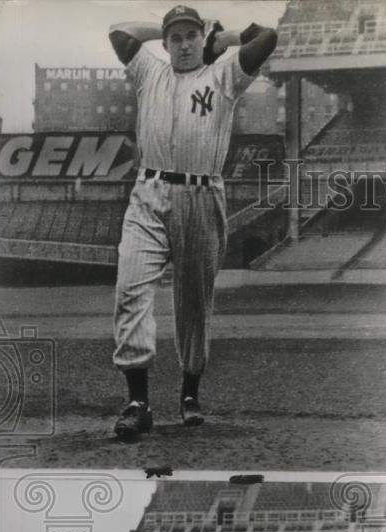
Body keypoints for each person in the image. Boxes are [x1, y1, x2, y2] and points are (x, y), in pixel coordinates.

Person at [109, 6, 278, 440]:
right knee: (130, 288)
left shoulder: (224, 76)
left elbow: (267, 37)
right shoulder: (151, 72)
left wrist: (223, 40)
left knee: (194, 302)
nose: (183, 45)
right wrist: (163, 26)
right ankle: (137, 402)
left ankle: (189, 392)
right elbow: (120, 33)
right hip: (149, 194)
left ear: (202, 39)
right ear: (164, 44)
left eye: (190, 36)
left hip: (202, 196)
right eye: (175, 38)